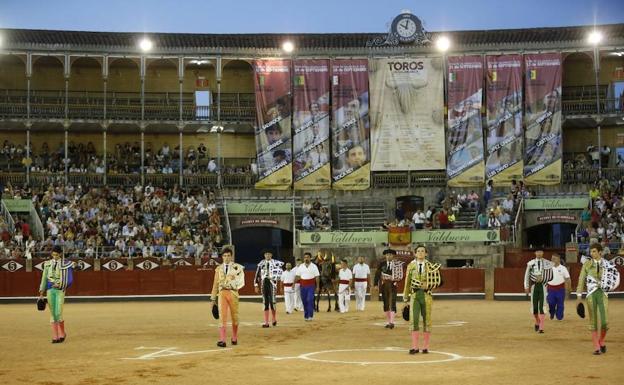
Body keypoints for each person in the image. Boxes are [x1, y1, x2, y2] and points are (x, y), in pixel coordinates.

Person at [576, 243, 621, 355]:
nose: (592, 253)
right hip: (591, 293)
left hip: (603, 293)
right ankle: (596, 347)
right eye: (591, 252)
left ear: (600, 252)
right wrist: (578, 297)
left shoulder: (607, 264)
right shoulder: (587, 264)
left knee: (605, 322)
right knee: (593, 321)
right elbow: (581, 280)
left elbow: (614, 278)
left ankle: (601, 341)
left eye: (594, 251)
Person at [403, 244, 442, 354]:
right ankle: (415, 347)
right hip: (414, 295)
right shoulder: (411, 266)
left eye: (422, 251)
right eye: (418, 251)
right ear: (415, 253)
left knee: (427, 320)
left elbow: (438, 281)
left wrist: (428, 284)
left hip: (426, 295)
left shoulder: (431, 266)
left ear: (426, 253)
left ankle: (425, 347)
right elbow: (407, 281)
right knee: (414, 319)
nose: (420, 253)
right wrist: (405, 298)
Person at [38, 245, 74, 344]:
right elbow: (44, 278)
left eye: (57, 255)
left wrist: (60, 284)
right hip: (50, 290)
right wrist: (41, 291)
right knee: (53, 313)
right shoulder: (47, 264)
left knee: (58, 312)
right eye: (53, 255)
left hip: (60, 290)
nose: (55, 257)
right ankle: (55, 336)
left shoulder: (65, 264)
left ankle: (62, 333)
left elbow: (69, 279)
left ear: (60, 254)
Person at [210, 248, 245, 347]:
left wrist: (233, 285)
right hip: (222, 294)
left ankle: (234, 337)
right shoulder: (218, 269)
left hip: (233, 293)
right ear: (222, 257)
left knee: (235, 316)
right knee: (222, 316)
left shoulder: (237, 268)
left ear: (231, 256)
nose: (226, 258)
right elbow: (215, 285)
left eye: (228, 256)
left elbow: (241, 282)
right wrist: (213, 299)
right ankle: (223, 340)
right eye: (224, 256)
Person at [524, 249, 552, 333]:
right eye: (537, 252)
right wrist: (526, 286)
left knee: (542, 306)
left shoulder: (548, 263)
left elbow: (550, 275)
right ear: (535, 253)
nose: (539, 253)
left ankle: (541, 327)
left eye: (541, 252)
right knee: (535, 307)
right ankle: (537, 321)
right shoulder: (530, 263)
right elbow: (526, 275)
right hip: (534, 286)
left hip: (543, 286)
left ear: (543, 253)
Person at [254, 249, 284, 327]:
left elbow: (280, 274)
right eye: (266, 254)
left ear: (271, 255)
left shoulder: (276, 263)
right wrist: (256, 285)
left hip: (272, 283)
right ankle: (266, 322)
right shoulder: (261, 264)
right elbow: (257, 275)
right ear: (264, 255)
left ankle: (273, 319)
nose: (267, 255)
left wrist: (280, 283)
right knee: (265, 302)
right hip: (264, 283)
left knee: (272, 301)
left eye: (269, 254)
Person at [374, 249, 402, 329]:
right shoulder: (382, 264)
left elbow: (400, 275)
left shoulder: (397, 264)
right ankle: (389, 321)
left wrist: (397, 281)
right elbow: (377, 274)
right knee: (386, 303)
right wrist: (376, 284)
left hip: (393, 285)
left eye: (390, 255)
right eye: (387, 255)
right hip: (384, 285)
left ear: (393, 256)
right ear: (385, 256)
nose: (389, 256)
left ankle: (392, 322)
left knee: (392, 302)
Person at [295, 252, 320, 321]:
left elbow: (317, 277)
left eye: (307, 257)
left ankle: (310, 315)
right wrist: (293, 283)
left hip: (311, 286)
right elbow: (297, 276)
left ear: (310, 258)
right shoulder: (301, 266)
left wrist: (317, 286)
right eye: (305, 257)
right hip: (303, 286)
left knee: (310, 300)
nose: (306, 258)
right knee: (304, 301)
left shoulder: (314, 266)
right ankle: (306, 315)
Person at [546, 254, 571, 321]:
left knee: (560, 304)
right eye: (552, 258)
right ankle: (552, 312)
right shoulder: (548, 268)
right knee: (551, 302)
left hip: (560, 289)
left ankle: (559, 316)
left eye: (554, 258)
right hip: (550, 289)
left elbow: (568, 279)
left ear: (559, 259)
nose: (552, 260)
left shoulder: (563, 268)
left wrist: (568, 289)